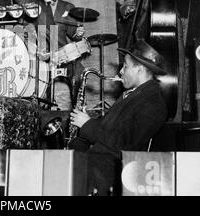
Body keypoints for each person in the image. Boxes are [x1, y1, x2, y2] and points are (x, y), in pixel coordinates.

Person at [69, 40, 168, 195]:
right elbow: (109, 129)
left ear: (140, 69)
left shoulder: (153, 103)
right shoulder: (131, 95)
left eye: (126, 66)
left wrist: (87, 124)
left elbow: (124, 143)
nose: (121, 71)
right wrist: (85, 122)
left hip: (109, 173)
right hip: (97, 164)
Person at [14, 0, 85, 106]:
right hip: (43, 55)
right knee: (41, 86)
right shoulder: (35, 4)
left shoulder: (67, 7)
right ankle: (45, 109)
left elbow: (74, 35)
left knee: (79, 73)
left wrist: (78, 33)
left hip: (63, 53)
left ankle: (78, 109)